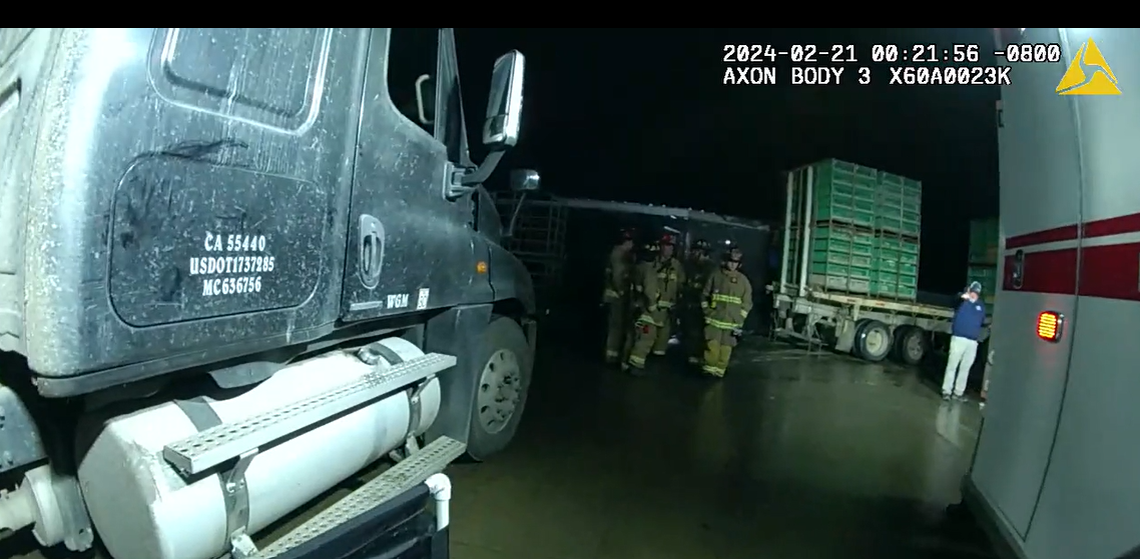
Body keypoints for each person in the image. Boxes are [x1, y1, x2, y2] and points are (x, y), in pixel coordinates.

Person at [700, 246, 753, 378]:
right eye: (730, 261)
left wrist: (740, 318)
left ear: (739, 264)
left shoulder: (743, 281)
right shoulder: (715, 276)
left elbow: (747, 303)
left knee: (726, 349)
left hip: (731, 323)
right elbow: (704, 295)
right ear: (725, 261)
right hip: (714, 320)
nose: (732, 265)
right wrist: (707, 312)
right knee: (712, 346)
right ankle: (708, 370)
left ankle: (719, 371)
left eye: (735, 262)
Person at [941, 281, 987, 400]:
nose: (974, 294)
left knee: (965, 368)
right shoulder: (961, 302)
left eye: (976, 293)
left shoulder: (981, 306)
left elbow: (982, 321)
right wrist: (961, 296)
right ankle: (946, 391)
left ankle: (958, 392)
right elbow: (953, 301)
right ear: (969, 291)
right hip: (958, 339)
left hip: (972, 342)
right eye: (972, 292)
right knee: (952, 365)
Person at [624, 240, 661, 374]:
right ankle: (636, 365)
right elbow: (650, 292)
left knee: (632, 336)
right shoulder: (649, 271)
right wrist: (653, 308)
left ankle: (625, 362)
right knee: (646, 337)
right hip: (645, 310)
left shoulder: (637, 267)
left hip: (634, 306)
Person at [601, 228, 636, 364]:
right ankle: (612, 355)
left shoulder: (617, 253)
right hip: (617, 297)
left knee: (616, 326)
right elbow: (617, 276)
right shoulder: (619, 254)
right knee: (616, 326)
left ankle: (612, 354)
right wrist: (622, 291)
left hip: (615, 296)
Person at [650, 233, 685, 357]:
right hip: (652, 308)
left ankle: (658, 360)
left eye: (671, 246)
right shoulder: (653, 263)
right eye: (665, 246)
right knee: (647, 337)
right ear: (660, 246)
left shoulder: (677, 266)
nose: (668, 249)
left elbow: (681, 285)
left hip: (668, 311)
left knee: (662, 341)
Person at [682, 239, 715, 365]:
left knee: (700, 333)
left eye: (698, 252)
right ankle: (692, 355)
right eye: (694, 251)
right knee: (690, 332)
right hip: (689, 305)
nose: (694, 254)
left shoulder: (711, 268)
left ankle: (699, 356)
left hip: (701, 307)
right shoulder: (689, 266)